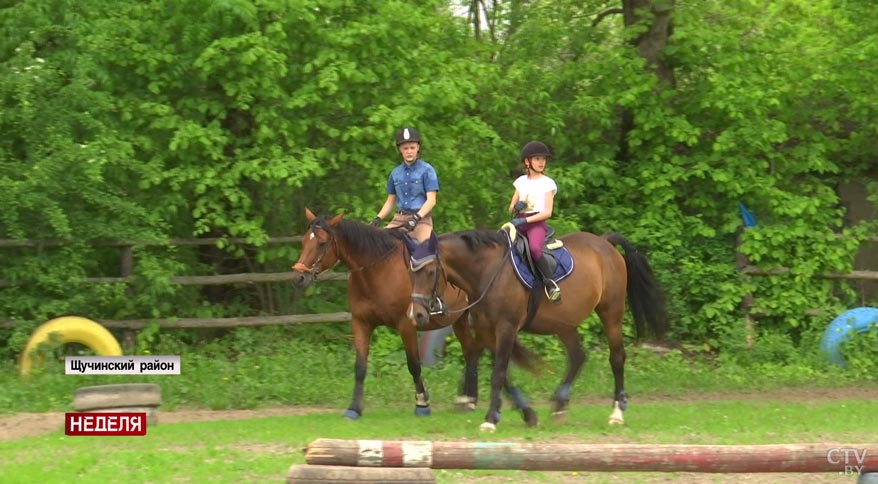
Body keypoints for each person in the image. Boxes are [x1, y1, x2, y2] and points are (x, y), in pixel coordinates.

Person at [508, 140, 561, 302]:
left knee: (534, 248)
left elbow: (547, 212)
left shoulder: (548, 183)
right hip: (518, 221)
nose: (541, 162)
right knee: (498, 245)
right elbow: (510, 209)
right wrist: (517, 207)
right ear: (527, 161)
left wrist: (525, 221)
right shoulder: (521, 182)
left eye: (543, 159)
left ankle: (550, 283)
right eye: (537, 159)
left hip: (536, 223)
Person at [369, 127, 439, 244]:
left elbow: (431, 200)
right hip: (399, 221)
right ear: (400, 150)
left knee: (428, 251)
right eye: (405, 148)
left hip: (421, 221)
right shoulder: (395, 173)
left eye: (412, 147)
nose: (409, 151)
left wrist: (417, 218)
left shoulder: (427, 170)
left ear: (418, 148)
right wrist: (378, 218)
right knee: (378, 245)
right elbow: (390, 201)